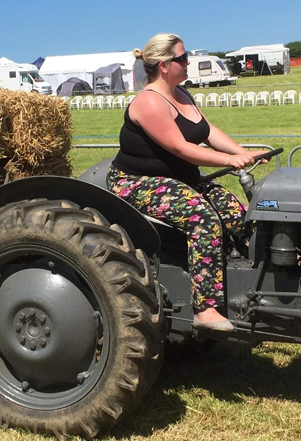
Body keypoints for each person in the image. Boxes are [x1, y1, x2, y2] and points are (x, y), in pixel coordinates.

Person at [107, 33, 266, 332]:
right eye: (182, 58)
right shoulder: (150, 102)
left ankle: (260, 284)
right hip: (139, 182)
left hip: (180, 178)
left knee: (237, 214)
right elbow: (180, 148)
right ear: (165, 65)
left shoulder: (182, 94)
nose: (188, 62)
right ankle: (205, 310)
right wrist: (228, 160)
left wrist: (243, 152)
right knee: (203, 219)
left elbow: (208, 131)